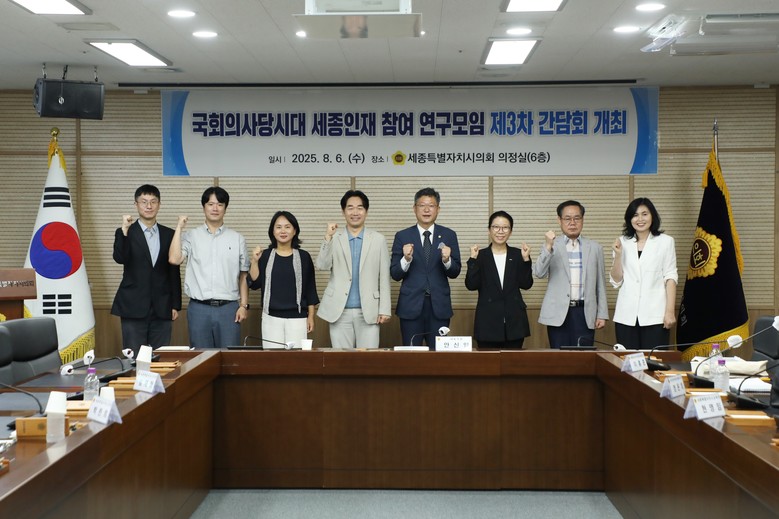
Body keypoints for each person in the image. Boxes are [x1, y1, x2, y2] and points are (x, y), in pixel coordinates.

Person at [169, 186, 249, 348]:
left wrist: (243, 305)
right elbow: (174, 259)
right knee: (201, 357)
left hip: (229, 309)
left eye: (220, 204)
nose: (215, 208)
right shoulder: (191, 236)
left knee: (229, 357)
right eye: (210, 204)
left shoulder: (237, 238)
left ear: (225, 208)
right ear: (203, 207)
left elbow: (243, 275)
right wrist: (179, 228)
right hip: (199, 308)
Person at [111, 185, 181, 356]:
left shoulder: (169, 234)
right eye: (144, 202)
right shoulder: (126, 232)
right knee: (134, 358)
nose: (149, 206)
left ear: (159, 204)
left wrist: (175, 304)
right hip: (133, 306)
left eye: (153, 202)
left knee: (160, 357)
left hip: (162, 306)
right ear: (136, 204)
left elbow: (174, 272)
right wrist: (124, 231)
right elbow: (120, 258)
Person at [316, 190, 391, 348]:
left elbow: (385, 277)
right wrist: (328, 237)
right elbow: (322, 265)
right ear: (343, 211)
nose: (355, 212)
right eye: (350, 208)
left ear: (366, 211)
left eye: (360, 208)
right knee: (341, 359)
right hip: (339, 310)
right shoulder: (335, 238)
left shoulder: (378, 239)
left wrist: (384, 309)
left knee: (368, 359)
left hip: (369, 310)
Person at [390, 188, 461, 348]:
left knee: (438, 355)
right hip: (410, 306)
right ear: (414, 208)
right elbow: (395, 273)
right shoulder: (402, 236)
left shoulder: (449, 235)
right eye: (422, 205)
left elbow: (455, 272)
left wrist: (447, 260)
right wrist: (406, 259)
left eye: (431, 205)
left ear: (438, 209)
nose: (427, 209)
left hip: (439, 306)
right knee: (411, 354)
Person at [533, 200, 608, 348]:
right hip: (558, 313)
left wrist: (602, 314)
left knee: (584, 357)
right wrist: (548, 247)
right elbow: (539, 273)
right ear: (559, 220)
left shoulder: (595, 247)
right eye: (567, 218)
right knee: (559, 357)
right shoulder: (551, 246)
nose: (572, 223)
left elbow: (601, 283)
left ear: (582, 219)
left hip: (585, 312)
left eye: (577, 218)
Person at [610, 197, 678, 349]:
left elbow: (670, 277)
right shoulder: (622, 241)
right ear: (629, 219)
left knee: (655, 360)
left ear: (652, 216)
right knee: (627, 360)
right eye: (635, 215)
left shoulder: (666, 241)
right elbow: (616, 281)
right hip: (626, 316)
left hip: (655, 315)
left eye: (644, 214)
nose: (640, 219)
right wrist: (618, 255)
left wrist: (669, 311)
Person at [247, 211, 319, 348]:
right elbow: (255, 284)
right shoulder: (265, 256)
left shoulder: (304, 257)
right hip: (271, 317)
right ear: (273, 231)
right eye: (278, 227)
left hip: (298, 318)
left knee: (297, 358)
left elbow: (310, 289)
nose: (283, 231)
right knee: (273, 358)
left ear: (294, 231)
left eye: (287, 227)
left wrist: (311, 316)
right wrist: (255, 261)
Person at [465, 211, 533, 349]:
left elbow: (526, 284)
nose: (500, 231)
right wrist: (473, 260)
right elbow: (471, 285)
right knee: (487, 362)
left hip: (514, 324)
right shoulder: (480, 255)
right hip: (487, 323)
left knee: (514, 362)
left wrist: (526, 260)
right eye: (496, 227)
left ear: (511, 231)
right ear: (489, 230)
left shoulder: (518, 254)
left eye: (505, 227)